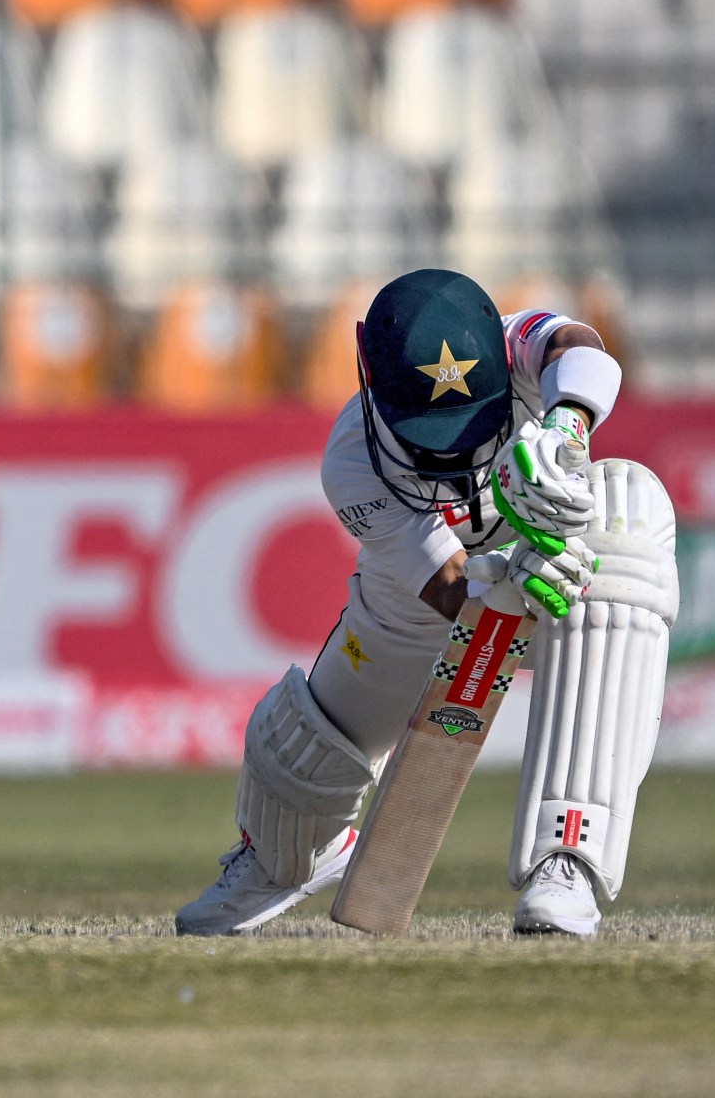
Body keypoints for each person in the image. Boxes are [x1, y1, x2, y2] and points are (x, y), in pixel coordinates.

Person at [176, 269, 678, 939]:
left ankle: (568, 857)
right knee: (296, 762)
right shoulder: (352, 460)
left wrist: (567, 427)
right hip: (417, 605)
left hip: (571, 579)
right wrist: (509, 576)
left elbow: (583, 348)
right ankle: (283, 860)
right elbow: (447, 587)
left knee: (628, 509)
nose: (460, 458)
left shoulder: (519, 343)